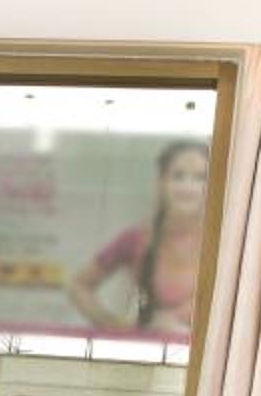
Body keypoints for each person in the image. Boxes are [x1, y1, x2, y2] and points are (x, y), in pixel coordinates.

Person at [69, 139, 210, 337]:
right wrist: (117, 327)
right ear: (162, 182)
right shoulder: (136, 239)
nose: (188, 186)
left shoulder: (224, 244)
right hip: (149, 349)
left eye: (200, 178)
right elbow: (78, 286)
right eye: (178, 176)